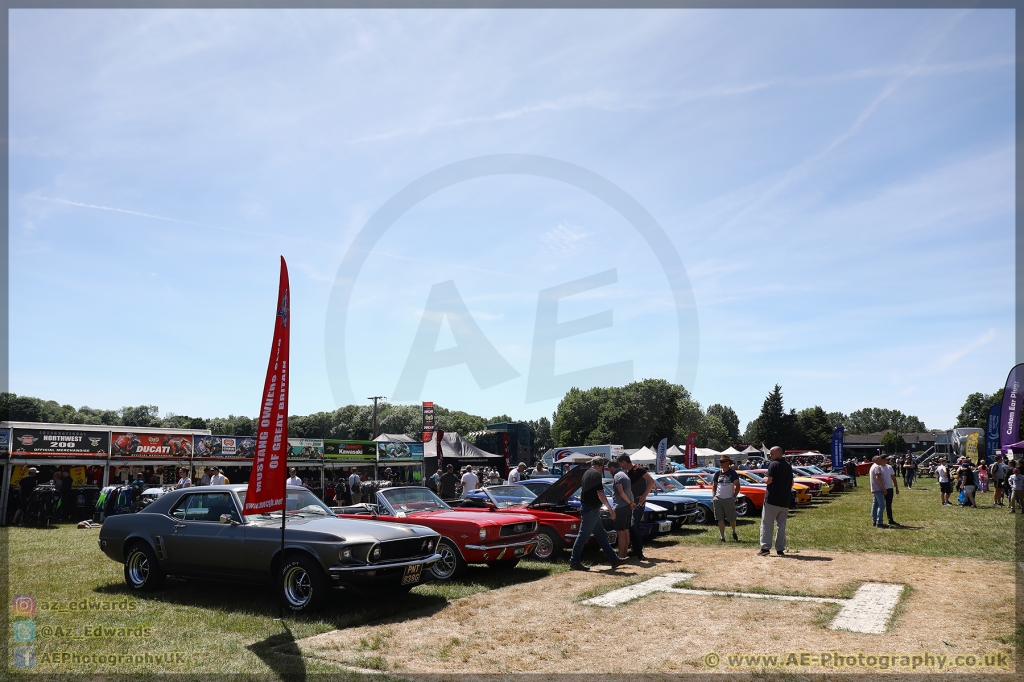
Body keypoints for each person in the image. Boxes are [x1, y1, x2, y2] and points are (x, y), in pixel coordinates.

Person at [568, 457, 625, 571]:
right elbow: (600, 494)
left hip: (590, 508)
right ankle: (574, 562)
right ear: (601, 466)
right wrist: (610, 510)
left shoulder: (586, 473)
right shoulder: (596, 475)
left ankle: (613, 559)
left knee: (601, 535)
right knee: (583, 536)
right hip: (591, 510)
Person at [758, 447, 793, 556]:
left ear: (778, 453)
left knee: (767, 524)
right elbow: (792, 483)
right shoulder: (788, 466)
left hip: (772, 500)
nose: (770, 456)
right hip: (785, 500)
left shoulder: (774, 464)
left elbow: (768, 480)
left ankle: (765, 548)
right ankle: (780, 549)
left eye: (772, 454)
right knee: (781, 526)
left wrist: (763, 479)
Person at [607, 459, 636, 560]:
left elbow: (621, 492)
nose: (609, 471)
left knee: (621, 532)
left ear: (613, 468)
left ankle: (621, 556)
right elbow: (630, 492)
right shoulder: (625, 475)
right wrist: (631, 503)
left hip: (621, 506)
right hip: (628, 507)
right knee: (626, 531)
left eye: (609, 469)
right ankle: (625, 554)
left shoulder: (617, 476)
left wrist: (629, 502)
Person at [712, 455, 741, 542]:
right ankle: (722, 537)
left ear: (728, 462)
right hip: (718, 499)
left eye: (723, 462)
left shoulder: (732, 473)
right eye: (720, 462)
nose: (721, 463)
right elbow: (714, 486)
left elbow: (738, 486)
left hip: (729, 499)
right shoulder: (718, 473)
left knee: (732, 519)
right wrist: (714, 496)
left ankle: (733, 531)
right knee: (720, 518)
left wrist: (734, 497)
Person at [869, 455, 888, 528]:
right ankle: (879, 522)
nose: (881, 460)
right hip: (878, 489)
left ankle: (874, 520)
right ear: (875, 460)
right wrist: (883, 488)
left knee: (875, 505)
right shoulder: (877, 467)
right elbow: (878, 478)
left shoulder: (872, 466)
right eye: (879, 459)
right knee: (882, 505)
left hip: (874, 488)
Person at [882, 454, 900, 525]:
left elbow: (893, 477)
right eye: (887, 459)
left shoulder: (889, 467)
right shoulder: (879, 467)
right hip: (882, 489)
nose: (888, 460)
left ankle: (890, 519)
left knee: (889, 505)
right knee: (881, 505)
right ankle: (880, 520)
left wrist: (896, 487)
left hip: (889, 488)